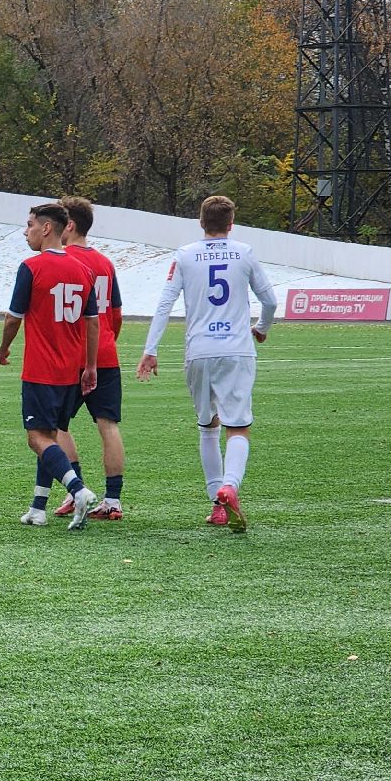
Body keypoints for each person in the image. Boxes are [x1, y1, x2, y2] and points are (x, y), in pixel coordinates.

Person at [137, 195, 277, 531]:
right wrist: (260, 329)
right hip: (236, 350)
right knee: (238, 426)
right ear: (231, 223)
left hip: (198, 351)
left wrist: (150, 349)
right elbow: (270, 301)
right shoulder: (244, 252)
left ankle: (217, 504)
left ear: (201, 222)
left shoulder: (185, 255)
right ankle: (230, 485)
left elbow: (164, 304)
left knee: (208, 425)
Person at [0, 203, 100, 532]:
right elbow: (93, 322)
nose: (25, 231)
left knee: (36, 438)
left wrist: (3, 347)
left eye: (29, 225)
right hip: (70, 370)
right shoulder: (83, 270)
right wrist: (90, 366)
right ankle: (38, 508)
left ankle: (78, 490)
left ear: (46, 229)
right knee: (51, 436)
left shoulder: (31, 267)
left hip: (41, 369)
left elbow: (15, 316)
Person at [53, 197, 128, 520]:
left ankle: (76, 490)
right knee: (108, 425)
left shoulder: (59, 260)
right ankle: (113, 500)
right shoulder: (105, 264)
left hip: (69, 356)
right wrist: (104, 344)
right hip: (105, 353)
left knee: (54, 426)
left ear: (68, 225)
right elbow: (115, 315)